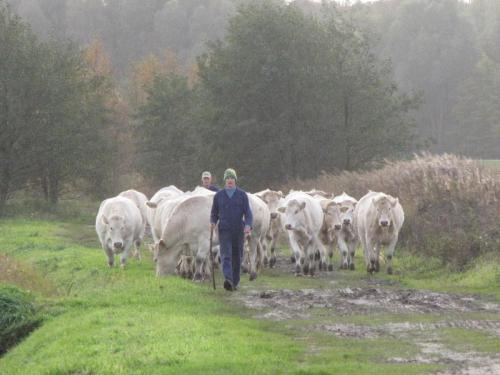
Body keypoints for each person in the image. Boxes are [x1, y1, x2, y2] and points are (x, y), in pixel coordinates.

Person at [210, 168, 252, 291]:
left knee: (237, 255)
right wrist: (212, 222)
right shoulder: (218, 196)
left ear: (235, 180)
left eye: (232, 178)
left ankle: (235, 281)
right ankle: (228, 279)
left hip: (239, 229)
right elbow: (214, 213)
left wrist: (248, 225)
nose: (229, 180)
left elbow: (248, 213)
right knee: (226, 254)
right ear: (225, 180)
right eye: (227, 178)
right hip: (224, 229)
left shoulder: (242, 195)